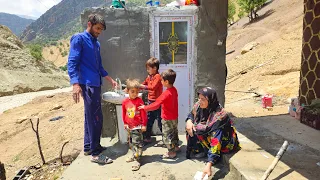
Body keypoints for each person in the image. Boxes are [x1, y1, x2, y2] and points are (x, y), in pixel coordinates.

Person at [67, 14, 117, 165]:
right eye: (97, 28)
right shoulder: (79, 39)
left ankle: (89, 146)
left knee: (90, 116)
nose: (99, 32)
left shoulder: (96, 43)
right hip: (87, 85)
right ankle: (96, 154)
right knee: (96, 118)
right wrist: (75, 84)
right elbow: (72, 62)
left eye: (101, 29)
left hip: (95, 83)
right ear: (89, 24)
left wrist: (109, 79)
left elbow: (99, 67)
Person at [185, 87, 240, 178]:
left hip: (225, 141)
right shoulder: (199, 106)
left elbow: (216, 141)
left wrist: (209, 164)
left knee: (200, 129)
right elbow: (191, 114)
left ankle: (214, 157)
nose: (200, 101)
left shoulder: (219, 116)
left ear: (210, 100)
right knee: (192, 127)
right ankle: (202, 149)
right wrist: (189, 121)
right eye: (199, 98)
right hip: (210, 134)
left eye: (203, 99)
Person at [139, 69, 180, 159]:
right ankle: (176, 147)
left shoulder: (165, 94)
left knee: (167, 135)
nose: (160, 81)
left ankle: (171, 152)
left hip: (167, 118)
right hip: (174, 117)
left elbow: (156, 105)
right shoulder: (174, 90)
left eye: (161, 80)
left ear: (166, 81)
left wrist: (145, 108)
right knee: (174, 132)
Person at [122, 79, 147, 171]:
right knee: (131, 143)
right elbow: (124, 113)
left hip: (137, 126)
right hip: (129, 127)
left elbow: (144, 113)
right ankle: (134, 154)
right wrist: (125, 123)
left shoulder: (139, 101)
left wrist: (144, 124)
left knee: (137, 144)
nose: (135, 94)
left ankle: (138, 160)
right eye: (132, 91)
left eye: (137, 92)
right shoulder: (125, 102)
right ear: (127, 90)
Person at [140, 57, 163, 144]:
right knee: (149, 120)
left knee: (160, 122)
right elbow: (144, 84)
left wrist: (143, 87)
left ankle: (166, 139)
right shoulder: (149, 77)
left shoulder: (158, 76)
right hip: (150, 102)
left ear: (155, 68)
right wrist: (136, 87)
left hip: (157, 103)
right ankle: (147, 137)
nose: (147, 70)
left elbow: (153, 87)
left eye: (148, 68)